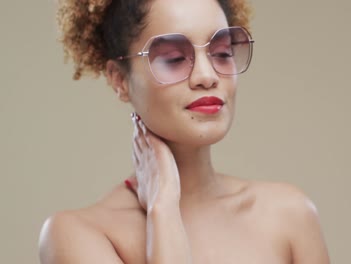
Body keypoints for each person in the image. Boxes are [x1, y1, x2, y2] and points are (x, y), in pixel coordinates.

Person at [39, 0, 330, 263]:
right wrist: (163, 209)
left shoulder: (289, 214)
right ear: (119, 80)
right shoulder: (77, 235)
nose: (207, 76)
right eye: (174, 59)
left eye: (222, 53)